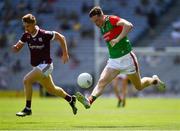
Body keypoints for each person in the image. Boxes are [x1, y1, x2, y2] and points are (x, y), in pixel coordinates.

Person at [75, 6, 165, 109]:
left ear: (102, 15)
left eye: (97, 20)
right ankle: (89, 101)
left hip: (127, 59)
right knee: (102, 81)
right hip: (114, 61)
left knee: (139, 86)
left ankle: (154, 80)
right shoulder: (102, 27)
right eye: (94, 22)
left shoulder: (112, 20)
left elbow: (129, 25)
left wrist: (117, 39)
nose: (96, 23)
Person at [12, 14, 77, 116]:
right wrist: (15, 48)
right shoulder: (26, 35)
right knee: (52, 89)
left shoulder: (44, 34)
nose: (26, 28)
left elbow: (61, 37)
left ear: (34, 24)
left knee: (26, 80)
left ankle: (28, 108)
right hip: (37, 67)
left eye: (27, 26)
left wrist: (65, 53)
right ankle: (70, 99)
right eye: (24, 26)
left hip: (46, 66)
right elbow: (18, 47)